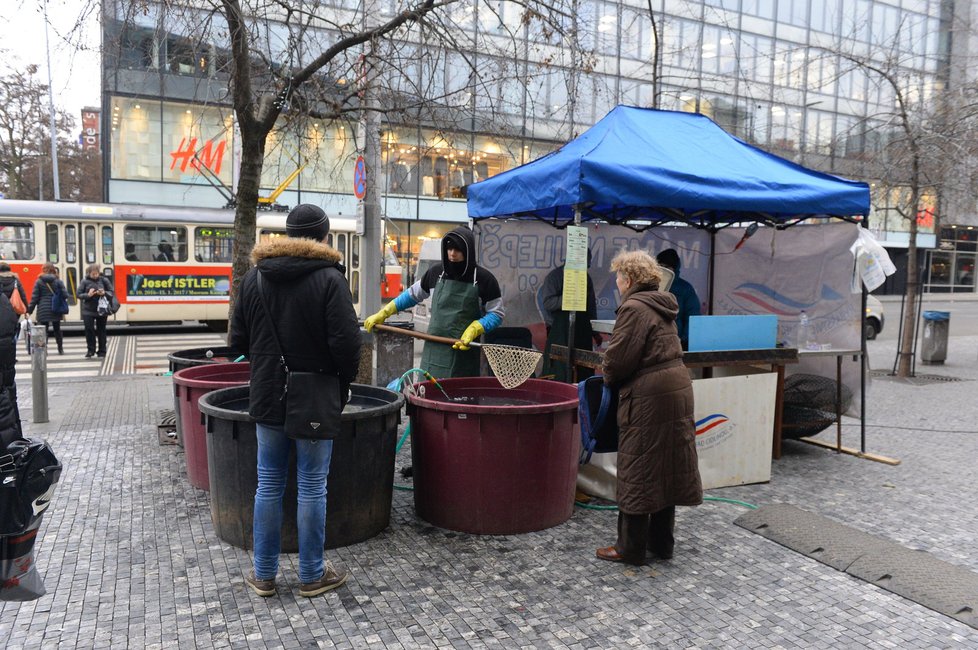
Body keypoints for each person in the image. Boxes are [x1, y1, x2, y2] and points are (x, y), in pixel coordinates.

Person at [228, 204, 361, 599]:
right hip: (316, 396)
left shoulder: (254, 278)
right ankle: (311, 575)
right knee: (312, 485)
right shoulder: (330, 279)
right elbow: (347, 344)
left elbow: (237, 342)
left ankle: (264, 575)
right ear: (323, 237)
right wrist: (341, 381)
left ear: (287, 234)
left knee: (267, 482)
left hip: (268, 392)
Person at [596, 250, 702, 566]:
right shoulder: (663, 303)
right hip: (676, 389)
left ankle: (630, 547)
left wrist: (607, 375)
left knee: (638, 466)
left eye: (618, 276)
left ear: (628, 280)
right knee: (665, 465)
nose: (616, 282)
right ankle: (661, 544)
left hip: (649, 396)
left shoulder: (633, 308)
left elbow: (618, 361)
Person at [364, 225, 504, 378]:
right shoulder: (436, 273)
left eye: (457, 250)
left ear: (468, 250)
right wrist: (385, 312)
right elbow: (411, 295)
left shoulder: (485, 280)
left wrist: (476, 327)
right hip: (433, 351)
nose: (452, 254)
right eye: (449, 249)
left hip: (464, 356)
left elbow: (497, 314)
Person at [539, 249, 601, 383]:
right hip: (559, 333)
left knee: (584, 371)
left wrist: (595, 332)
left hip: (582, 332)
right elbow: (547, 302)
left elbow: (591, 306)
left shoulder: (586, 278)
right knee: (558, 373)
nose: (586, 267)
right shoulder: (555, 277)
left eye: (587, 264)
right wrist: (569, 299)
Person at [655, 249, 701, 350]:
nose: (663, 270)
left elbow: (692, 316)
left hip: (677, 342)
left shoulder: (685, 288)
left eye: (667, 267)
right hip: (653, 342)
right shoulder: (649, 286)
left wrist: (683, 340)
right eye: (660, 266)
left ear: (674, 269)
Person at [27, 263, 69, 355]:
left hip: (43, 310)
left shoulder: (39, 281)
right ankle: (60, 349)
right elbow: (65, 295)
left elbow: (35, 298)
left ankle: (43, 350)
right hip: (56, 309)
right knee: (57, 330)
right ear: (53, 269)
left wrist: (29, 311)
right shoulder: (58, 281)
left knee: (43, 332)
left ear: (43, 270)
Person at [77, 264, 113, 358]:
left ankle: (102, 351)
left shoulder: (104, 280)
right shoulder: (84, 281)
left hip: (102, 309)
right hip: (88, 310)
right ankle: (90, 350)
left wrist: (104, 293)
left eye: (96, 274)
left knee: (101, 330)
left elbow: (111, 292)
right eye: (93, 274)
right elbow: (78, 294)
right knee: (89, 330)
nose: (95, 275)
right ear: (89, 273)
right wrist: (88, 295)